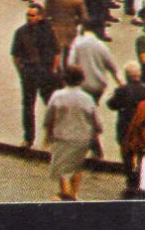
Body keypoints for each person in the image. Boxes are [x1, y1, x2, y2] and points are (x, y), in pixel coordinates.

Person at [42, 66, 102, 201]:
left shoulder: (57, 96)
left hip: (62, 137)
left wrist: (47, 136)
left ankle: (66, 194)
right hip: (82, 138)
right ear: (81, 80)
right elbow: (96, 121)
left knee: (62, 167)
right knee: (77, 166)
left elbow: (48, 118)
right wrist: (97, 132)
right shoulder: (87, 98)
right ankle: (73, 193)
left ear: (64, 79)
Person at [11, 1, 62, 148]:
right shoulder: (20, 32)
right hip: (29, 72)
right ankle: (28, 138)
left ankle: (55, 135)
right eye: (27, 15)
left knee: (50, 104)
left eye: (32, 15)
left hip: (44, 72)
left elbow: (57, 52)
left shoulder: (48, 31)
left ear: (39, 17)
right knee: (28, 106)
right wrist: (21, 71)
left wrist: (52, 70)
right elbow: (15, 55)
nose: (29, 18)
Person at [105, 62, 145, 194]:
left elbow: (111, 105)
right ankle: (140, 179)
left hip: (125, 127)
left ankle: (130, 180)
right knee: (142, 155)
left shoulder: (122, 90)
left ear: (126, 76)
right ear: (139, 74)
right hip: (143, 128)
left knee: (127, 154)